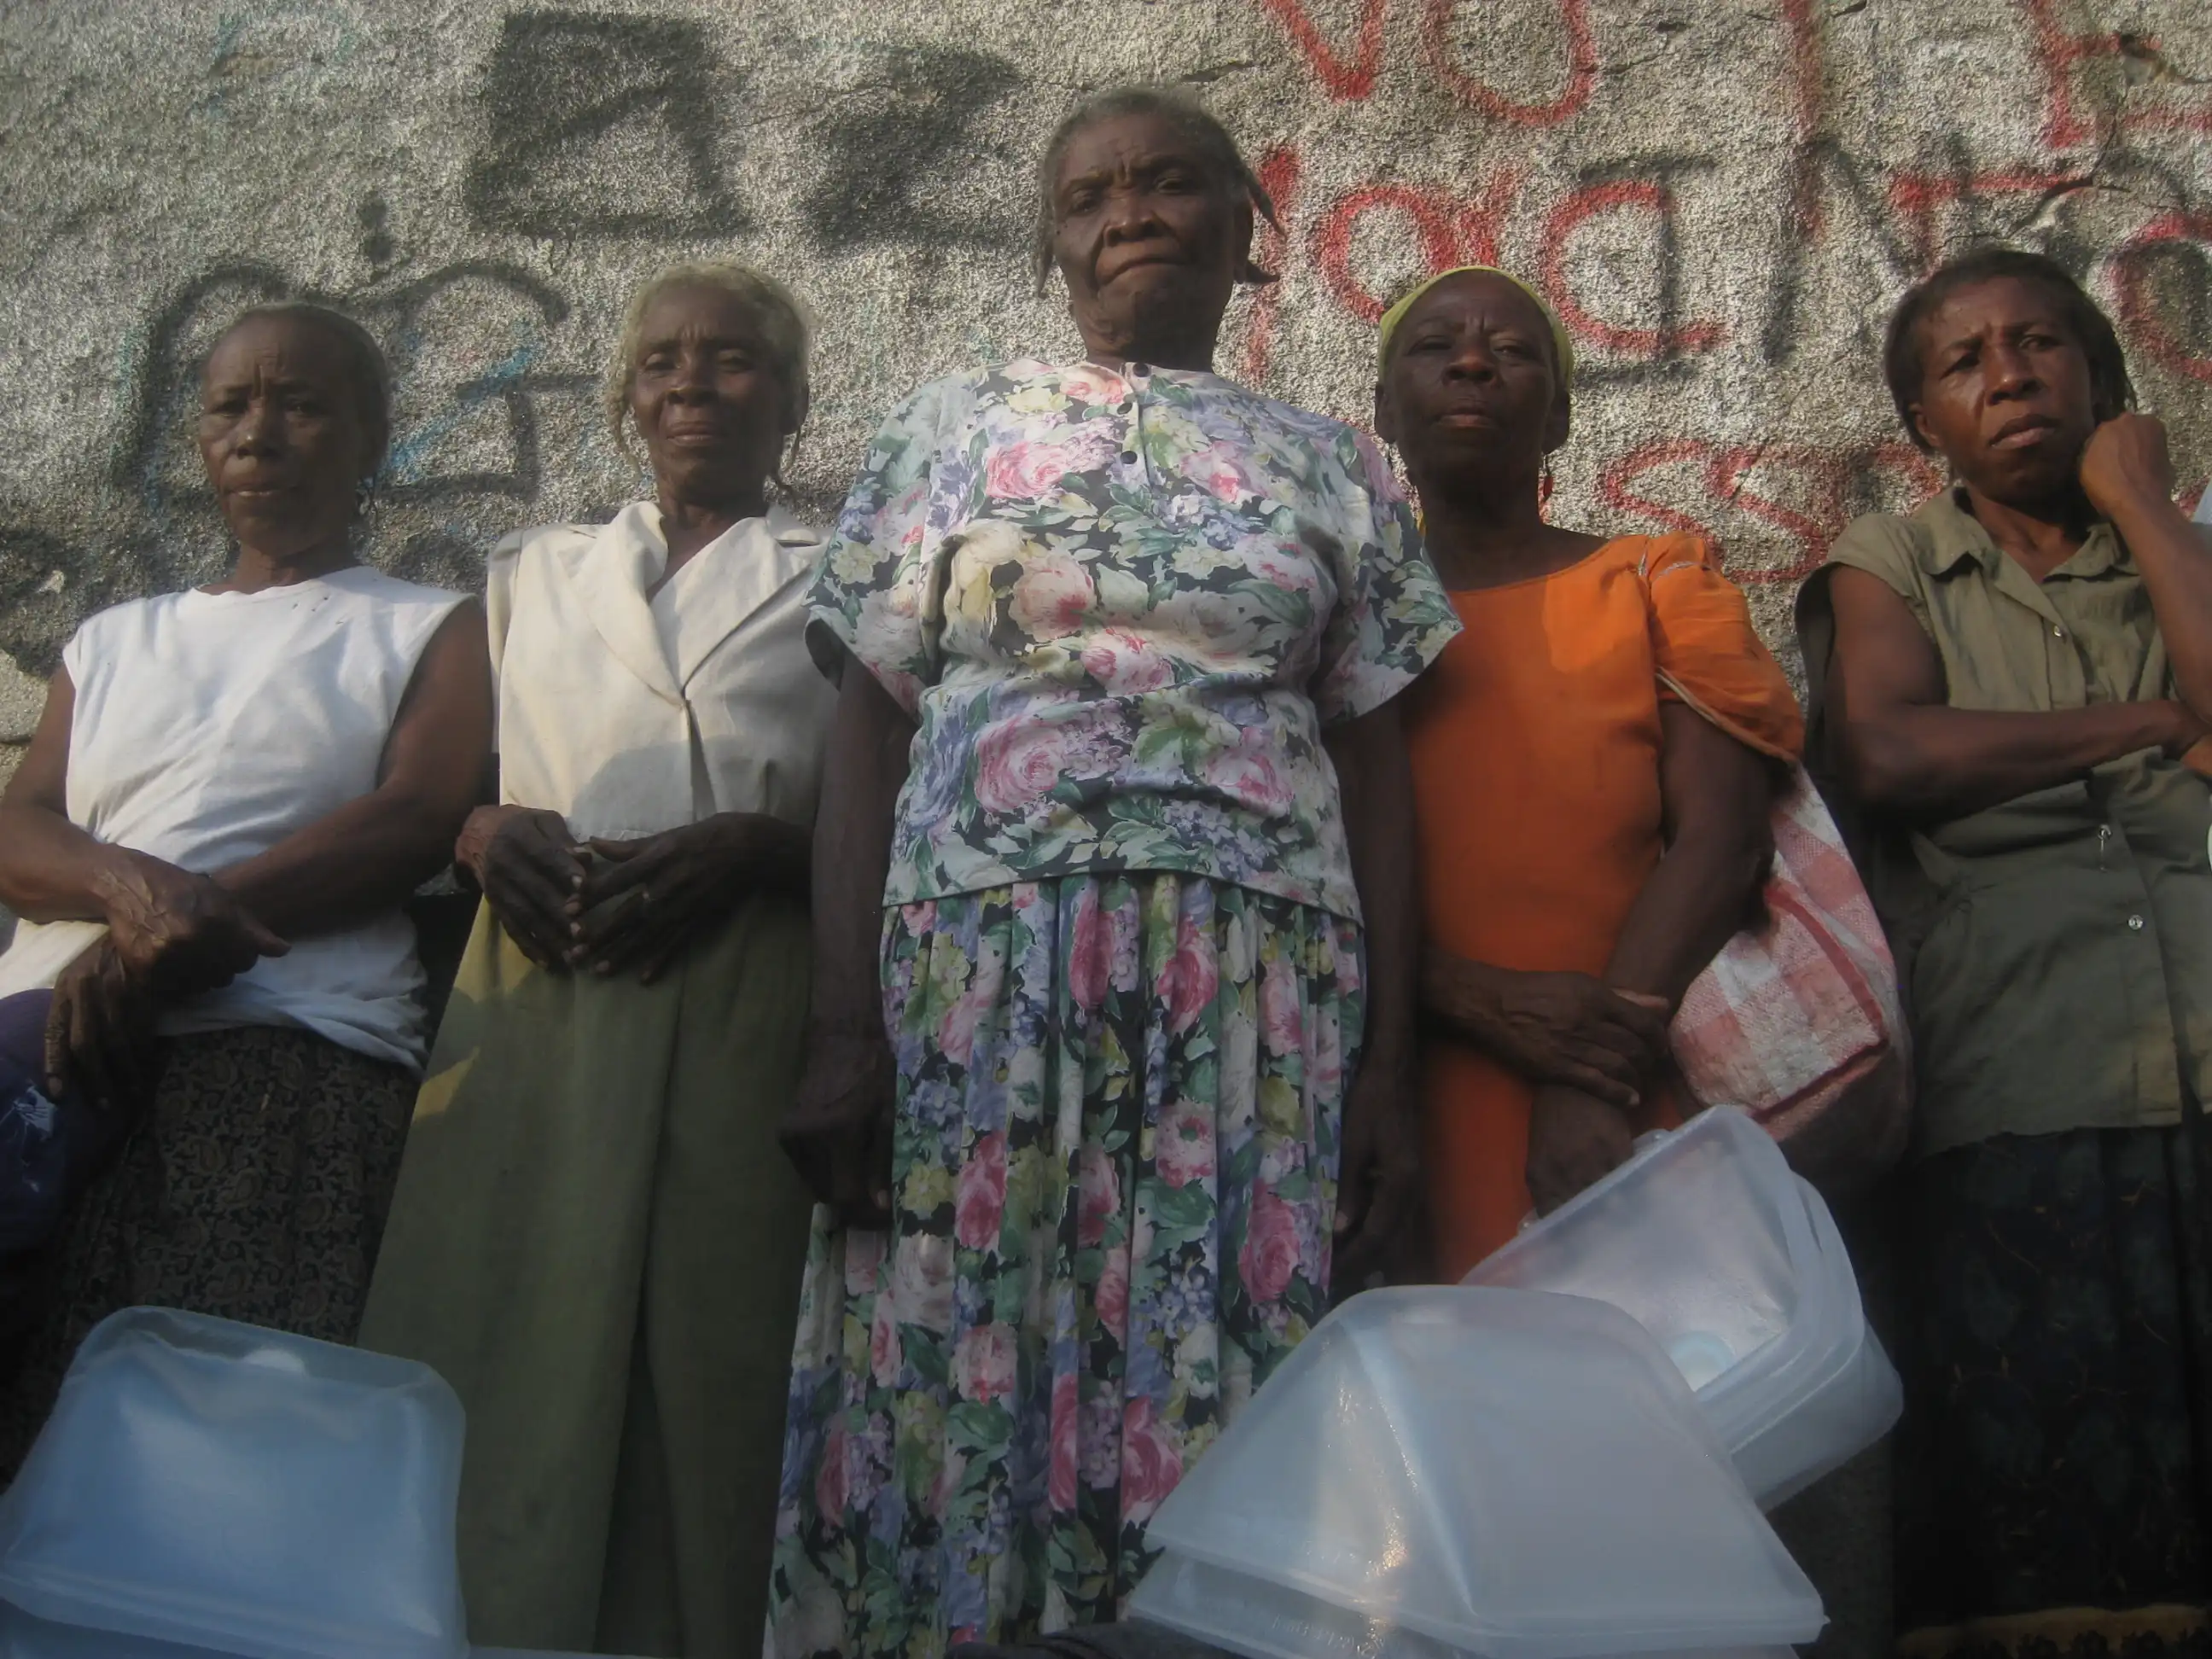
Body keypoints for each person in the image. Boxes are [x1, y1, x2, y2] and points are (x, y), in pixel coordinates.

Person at [769, 85, 1458, 1659]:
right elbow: (863, 730)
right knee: (962, 1361)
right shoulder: (952, 425)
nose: (1127, 213)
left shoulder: (1339, 462)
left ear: (1244, 231)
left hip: (1263, 994)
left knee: (1223, 1371)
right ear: (1052, 244)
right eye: (1088, 196)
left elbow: (1378, 767)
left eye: (1167, 185)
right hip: (975, 975)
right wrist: (837, 1026)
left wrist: (1391, 1074)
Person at [356, 263, 833, 1659]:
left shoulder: (850, 575)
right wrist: (484, 829)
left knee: (715, 1348)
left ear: (791, 398)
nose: (695, 382)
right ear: (627, 399)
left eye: (735, 359)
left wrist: (757, 846)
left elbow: (891, 818)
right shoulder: (529, 577)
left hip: (746, 989)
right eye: (666, 360)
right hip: (544, 986)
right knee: (514, 1331)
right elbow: (440, 795)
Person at [1797, 246, 2212, 1659]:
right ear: (1922, 421)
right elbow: (1891, 747)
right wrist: (2151, 725)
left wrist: (2145, 502)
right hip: (2018, 1075)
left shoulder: (2172, 546)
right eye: (1964, 362)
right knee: (2042, 1486)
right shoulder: (1891, 561)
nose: (2010, 376)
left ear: (2098, 377)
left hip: (2202, 1049)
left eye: (2041, 345)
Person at [0, 302, 491, 1465]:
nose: (258, 433)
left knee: (201, 1456)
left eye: (302, 404)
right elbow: (18, 825)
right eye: (230, 406)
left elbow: (415, 817)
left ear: (371, 438)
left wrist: (172, 937)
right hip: (48, 1058)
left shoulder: (427, 627)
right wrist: (132, 901)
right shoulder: (113, 642)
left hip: (281, 1064)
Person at [1375, 266, 1802, 1282]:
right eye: (1435, 348)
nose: (1474, 361)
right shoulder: (1344, 620)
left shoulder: (1655, 582)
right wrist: (1476, 1003)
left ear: (1561, 420)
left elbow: (1723, 838)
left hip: (1636, 1078)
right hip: (1405, 1088)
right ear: (1384, 408)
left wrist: (1595, 1073)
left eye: (1513, 351)